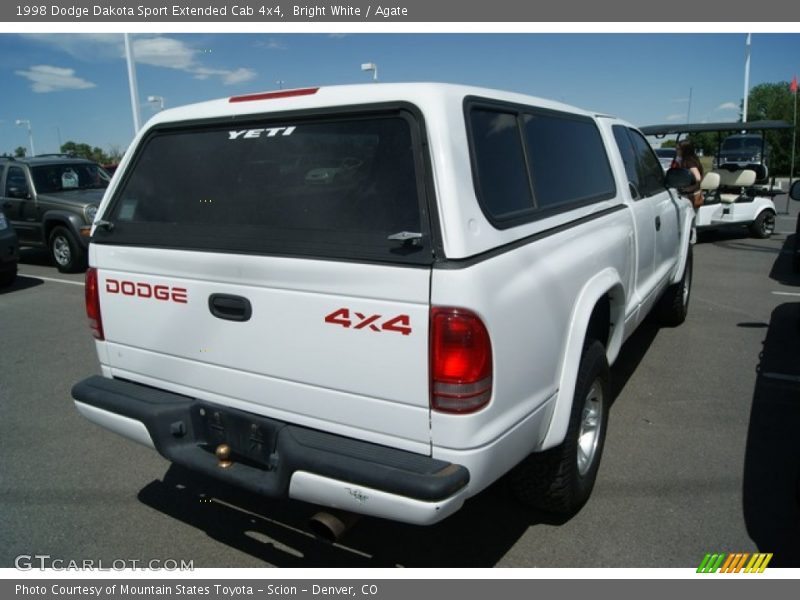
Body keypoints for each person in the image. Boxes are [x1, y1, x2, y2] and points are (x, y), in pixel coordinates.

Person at [676, 140, 704, 209]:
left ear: (685, 150)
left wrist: (692, 187)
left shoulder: (689, 161)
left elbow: (698, 178)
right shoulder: (686, 160)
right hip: (690, 194)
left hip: (691, 196)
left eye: (678, 149)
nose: (676, 151)